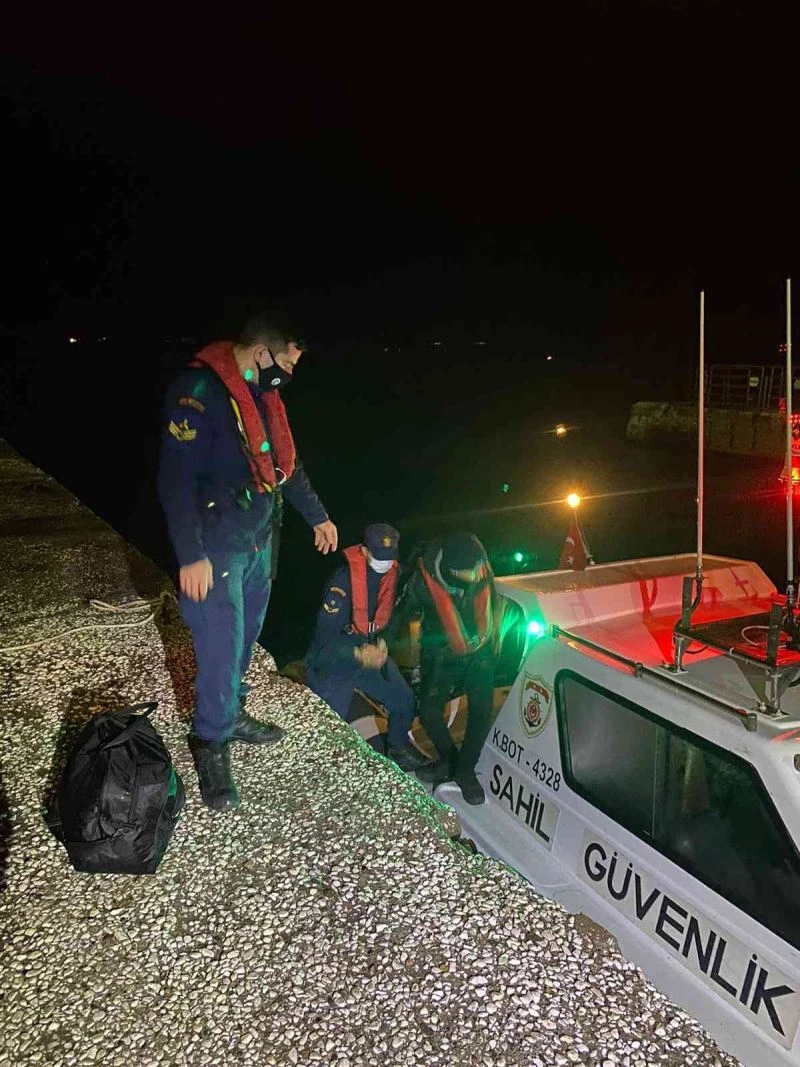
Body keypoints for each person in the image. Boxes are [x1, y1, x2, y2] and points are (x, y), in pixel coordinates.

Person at [157, 314, 338, 811]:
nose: (289, 375)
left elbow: (284, 467)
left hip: (259, 539)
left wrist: (318, 517)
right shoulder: (198, 394)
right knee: (221, 640)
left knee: (246, 633)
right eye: (288, 364)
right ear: (262, 353)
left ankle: (231, 710)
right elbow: (175, 481)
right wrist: (191, 554)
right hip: (217, 544)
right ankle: (210, 739)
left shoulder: (260, 394)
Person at [386, 532, 501, 804]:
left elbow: (494, 605)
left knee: (482, 710)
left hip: (480, 649)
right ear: (449, 570)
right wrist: (382, 644)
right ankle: (450, 760)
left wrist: (494, 643)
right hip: (441, 652)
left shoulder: (480, 567)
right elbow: (400, 613)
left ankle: (465, 772)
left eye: (477, 569)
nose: (474, 576)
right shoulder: (423, 581)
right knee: (429, 713)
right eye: (466, 572)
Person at [305, 524, 430, 772]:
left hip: (371, 652)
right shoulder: (341, 585)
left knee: (404, 699)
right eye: (379, 557)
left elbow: (393, 615)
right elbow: (324, 641)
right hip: (335, 660)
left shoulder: (394, 576)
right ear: (363, 551)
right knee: (329, 725)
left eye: (389, 557)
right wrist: (357, 654)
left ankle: (398, 746)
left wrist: (384, 641)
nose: (385, 563)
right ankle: (320, 767)